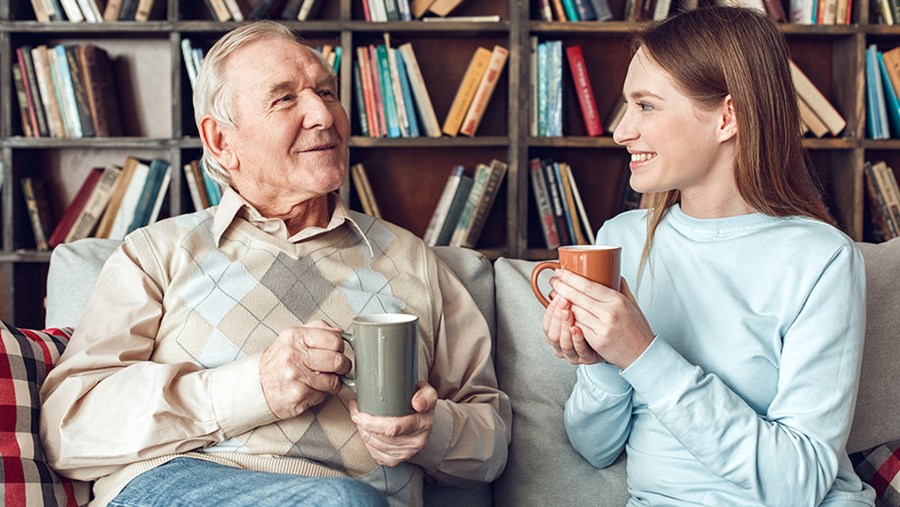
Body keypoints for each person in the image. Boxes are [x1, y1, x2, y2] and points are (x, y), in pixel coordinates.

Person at [40, 21, 511, 507]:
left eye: (326, 92)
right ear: (222, 141)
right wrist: (253, 388)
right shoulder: (156, 254)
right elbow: (68, 427)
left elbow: (491, 443)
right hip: (181, 484)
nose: (322, 115)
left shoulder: (416, 262)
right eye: (284, 99)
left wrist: (428, 433)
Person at [542, 7, 875, 506]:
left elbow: (799, 484)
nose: (620, 131)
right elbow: (594, 449)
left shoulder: (821, 260)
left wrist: (642, 353)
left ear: (727, 117)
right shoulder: (621, 241)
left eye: (646, 106)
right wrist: (603, 363)